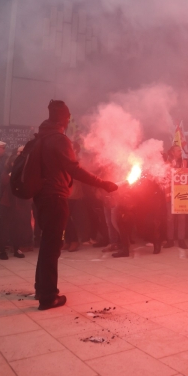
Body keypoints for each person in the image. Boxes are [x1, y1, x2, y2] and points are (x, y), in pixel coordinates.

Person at [33, 100, 118, 310]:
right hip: (55, 198)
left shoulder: (41, 137)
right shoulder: (59, 140)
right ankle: (48, 296)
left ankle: (41, 288)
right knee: (53, 248)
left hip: (42, 198)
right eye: (68, 117)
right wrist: (103, 184)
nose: (69, 120)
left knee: (47, 246)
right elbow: (75, 170)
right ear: (64, 118)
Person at [0, 152, 26, 260]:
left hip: (18, 204)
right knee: (5, 228)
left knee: (17, 228)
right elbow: (5, 183)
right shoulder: (6, 173)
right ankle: (2, 251)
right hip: (6, 204)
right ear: (11, 163)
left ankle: (16, 249)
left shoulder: (21, 172)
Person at [163, 145, 188, 249]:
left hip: (182, 194)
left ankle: (181, 239)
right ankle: (170, 240)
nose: (180, 152)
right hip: (170, 193)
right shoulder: (167, 164)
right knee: (170, 218)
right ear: (172, 152)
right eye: (178, 151)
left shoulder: (184, 163)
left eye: (180, 151)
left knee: (181, 217)